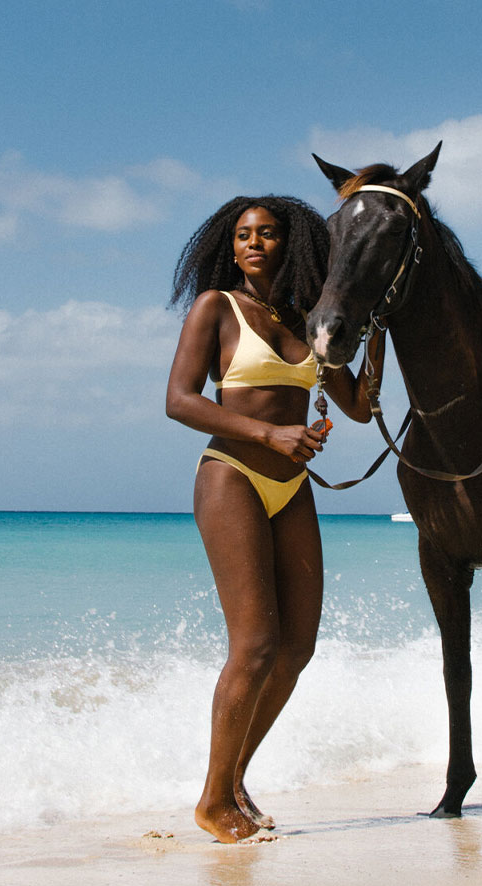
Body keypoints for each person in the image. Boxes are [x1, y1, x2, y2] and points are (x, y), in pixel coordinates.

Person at [166, 196, 384, 843]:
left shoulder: (309, 317)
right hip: (231, 475)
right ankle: (211, 802)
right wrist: (269, 432)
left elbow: (358, 407)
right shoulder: (217, 308)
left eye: (267, 234)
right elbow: (179, 400)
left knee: (296, 648)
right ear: (229, 247)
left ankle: (234, 783)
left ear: (292, 245)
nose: (254, 243)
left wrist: (371, 341)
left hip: (292, 486)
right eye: (243, 235)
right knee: (255, 646)